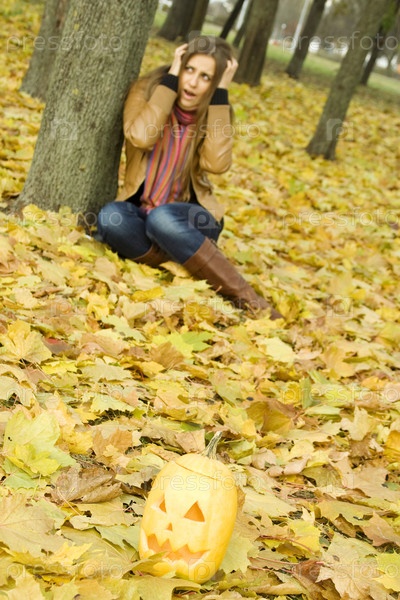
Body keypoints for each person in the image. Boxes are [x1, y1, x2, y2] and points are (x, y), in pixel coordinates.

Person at [96, 35, 282, 319]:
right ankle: (185, 260)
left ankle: (246, 298)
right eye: (189, 70)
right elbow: (141, 137)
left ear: (215, 83)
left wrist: (220, 96)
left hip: (192, 218)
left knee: (163, 219)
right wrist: (170, 82)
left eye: (205, 77)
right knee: (110, 218)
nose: (193, 82)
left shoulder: (215, 110)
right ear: (179, 67)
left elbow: (216, 164)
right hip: (140, 212)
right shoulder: (147, 91)